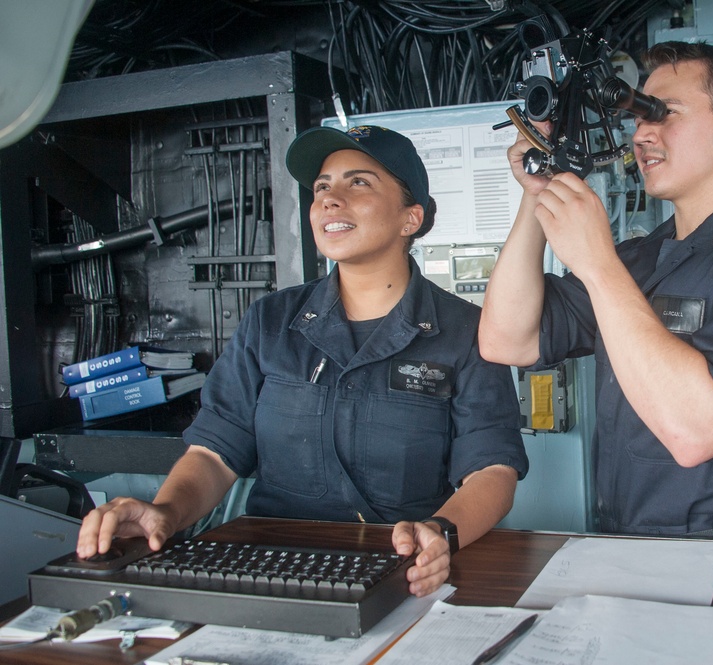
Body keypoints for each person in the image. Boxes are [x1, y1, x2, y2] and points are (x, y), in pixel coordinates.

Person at [77, 125, 529, 596]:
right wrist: (165, 513)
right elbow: (215, 451)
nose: (331, 199)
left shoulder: (467, 332)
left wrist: (441, 533)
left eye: (358, 182)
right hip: (269, 564)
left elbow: (491, 468)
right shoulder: (271, 321)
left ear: (410, 218)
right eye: (321, 188)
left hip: (404, 570)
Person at [479, 41, 713, 539]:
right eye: (637, 117)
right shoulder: (641, 258)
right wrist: (535, 195)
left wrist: (598, 263)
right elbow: (507, 339)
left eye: (663, 114)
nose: (642, 134)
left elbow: (695, 434)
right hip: (624, 538)